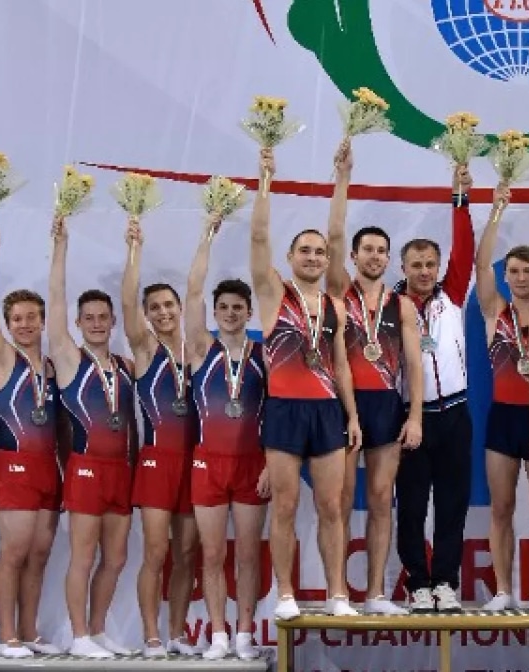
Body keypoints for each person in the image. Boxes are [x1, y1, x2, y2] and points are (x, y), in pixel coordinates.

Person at [250, 149, 362, 620]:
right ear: (291, 257)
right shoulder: (275, 293)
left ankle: (338, 594)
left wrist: (352, 415)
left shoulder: (336, 306)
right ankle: (286, 594)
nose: (314, 257)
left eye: (320, 252)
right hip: (284, 410)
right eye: (305, 251)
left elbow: (341, 366)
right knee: (285, 506)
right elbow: (257, 236)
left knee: (332, 506)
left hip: (326, 412)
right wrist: (265, 180)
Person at [324, 141, 423, 615]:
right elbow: (335, 233)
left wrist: (416, 416)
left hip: (385, 404)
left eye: (383, 251)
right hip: (344, 403)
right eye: (368, 249)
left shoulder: (401, 305)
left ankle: (376, 593)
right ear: (357, 255)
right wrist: (342, 179)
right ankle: (339, 592)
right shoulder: (340, 291)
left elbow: (414, 366)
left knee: (382, 498)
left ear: (390, 260)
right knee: (341, 499)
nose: (375, 256)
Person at [47, 218, 136, 658]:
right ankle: (78, 635)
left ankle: (98, 631)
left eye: (104, 317)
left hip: (122, 470)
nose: (97, 323)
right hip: (85, 470)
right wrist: (60, 248)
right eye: (89, 318)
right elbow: (56, 302)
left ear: (113, 321)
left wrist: (134, 249)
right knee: (82, 556)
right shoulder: (68, 358)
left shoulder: (125, 365)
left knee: (116, 558)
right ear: (78, 323)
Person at [0, 218, 62, 658]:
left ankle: (29, 631)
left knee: (40, 554)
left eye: (32, 317)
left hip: (50, 468)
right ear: (7, 325)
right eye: (17, 319)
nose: (25, 324)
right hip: (13, 467)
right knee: (15, 552)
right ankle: (6, 635)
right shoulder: (1, 358)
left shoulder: (51, 367)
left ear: (43, 321)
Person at [185, 216, 271, 659]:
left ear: (249, 312)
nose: (232, 313)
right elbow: (193, 293)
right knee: (214, 553)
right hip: (208, 463)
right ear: (215, 314)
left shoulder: (265, 355)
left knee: (249, 556)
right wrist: (206, 237)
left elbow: (278, 412)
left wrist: (273, 465)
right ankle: (218, 634)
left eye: (239, 307)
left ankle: (245, 634)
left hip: (253, 464)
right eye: (225, 308)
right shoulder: (201, 349)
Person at [393, 163, 476, 613]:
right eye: (416, 265)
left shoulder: (454, 294)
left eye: (430, 264)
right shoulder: (390, 305)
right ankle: (417, 582)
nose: (424, 271)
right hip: (410, 417)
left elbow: (466, 247)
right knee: (410, 505)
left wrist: (459, 198)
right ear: (402, 267)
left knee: (451, 504)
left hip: (455, 413)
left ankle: (445, 579)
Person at [473, 181, 529, 612]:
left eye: (528, 271)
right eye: (513, 272)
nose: (520, 278)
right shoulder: (494, 312)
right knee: (501, 506)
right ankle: (504, 590)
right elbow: (480, 263)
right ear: (506, 276)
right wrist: (495, 213)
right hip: (503, 417)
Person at [122, 218, 200, 657]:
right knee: (156, 551)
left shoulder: (199, 350)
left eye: (169, 305)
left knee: (186, 553)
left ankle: (178, 633)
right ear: (148, 315)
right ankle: (151, 636)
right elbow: (126, 302)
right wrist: (134, 250)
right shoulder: (145, 351)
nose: (164, 312)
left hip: (195, 461)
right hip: (156, 461)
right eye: (156, 308)